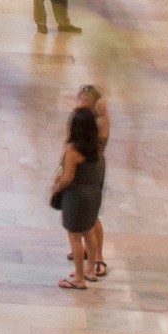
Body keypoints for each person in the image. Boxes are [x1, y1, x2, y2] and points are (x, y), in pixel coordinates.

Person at [51, 89, 107, 291]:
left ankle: (79, 279)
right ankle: (90, 270)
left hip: (77, 197)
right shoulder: (96, 146)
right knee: (88, 232)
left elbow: (67, 177)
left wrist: (56, 187)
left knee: (74, 237)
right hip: (93, 192)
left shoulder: (72, 150)